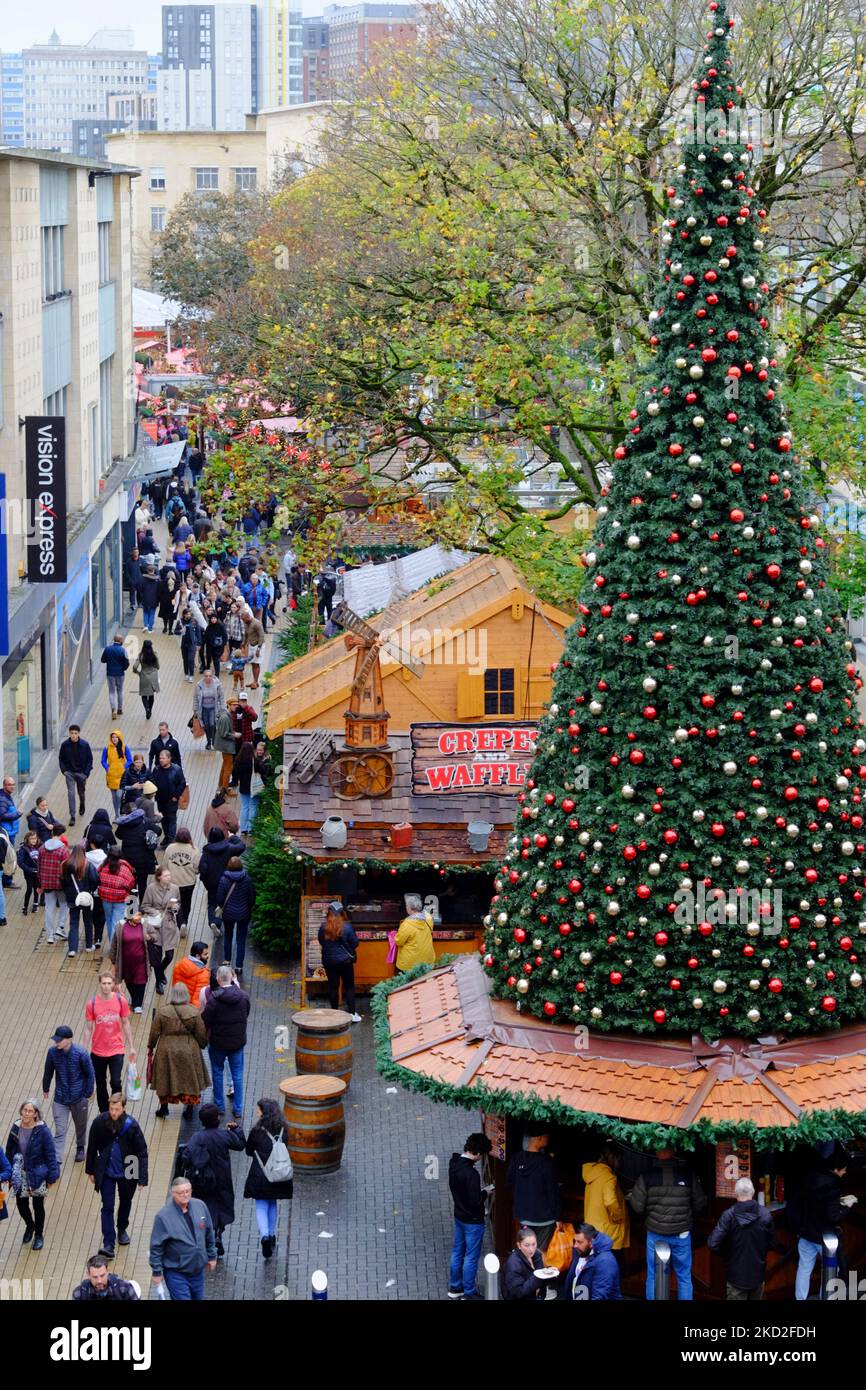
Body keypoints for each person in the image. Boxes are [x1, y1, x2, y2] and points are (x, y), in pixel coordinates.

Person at [629, 1145, 707, 1301]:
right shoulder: (688, 1175)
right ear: (675, 1152)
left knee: (653, 1276)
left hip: (656, 1233)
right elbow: (700, 1204)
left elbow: (637, 1207)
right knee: (684, 1277)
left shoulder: (647, 1176)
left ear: (657, 1153)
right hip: (682, 1234)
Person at [85, 1092, 148, 1259]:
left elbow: (142, 1151)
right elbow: (91, 1147)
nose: (113, 1112)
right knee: (107, 1206)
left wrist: (142, 1177)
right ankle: (108, 1242)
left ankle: (122, 1228)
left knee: (126, 1200)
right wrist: (90, 1170)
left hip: (130, 1166)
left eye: (117, 1109)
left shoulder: (131, 1125)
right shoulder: (99, 1122)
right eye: (112, 1108)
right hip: (106, 1168)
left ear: (124, 1108)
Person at [182, 1103, 245, 1258]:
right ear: (216, 1119)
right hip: (222, 1179)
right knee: (221, 1207)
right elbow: (240, 1145)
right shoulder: (224, 1135)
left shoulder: (197, 1137)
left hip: (203, 1181)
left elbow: (186, 1156)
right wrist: (237, 1129)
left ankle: (209, 1238)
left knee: (205, 1209)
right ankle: (218, 1233)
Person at [793, 1151, 854, 1300]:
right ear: (837, 1169)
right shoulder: (833, 1187)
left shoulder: (811, 1178)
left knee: (804, 1268)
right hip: (825, 1238)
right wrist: (848, 1206)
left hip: (806, 1233)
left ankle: (800, 1298)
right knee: (832, 1269)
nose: (845, 1173)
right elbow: (834, 1217)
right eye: (844, 1170)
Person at [148, 982, 210, 1121]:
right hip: (189, 1049)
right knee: (190, 1080)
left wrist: (151, 1047)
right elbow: (201, 1033)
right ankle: (189, 1110)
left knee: (165, 1078)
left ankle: (164, 1109)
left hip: (166, 1050)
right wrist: (202, 1044)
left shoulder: (163, 1011)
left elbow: (154, 1032)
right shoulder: (193, 1012)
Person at [149, 1176, 217, 1301]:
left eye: (188, 1191)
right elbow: (156, 1247)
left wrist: (212, 1256)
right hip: (176, 1273)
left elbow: (209, 1232)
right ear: (173, 1194)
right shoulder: (163, 1217)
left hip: (197, 1271)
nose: (185, 1195)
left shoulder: (200, 1206)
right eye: (181, 1192)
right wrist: (157, 1272)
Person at [707, 1176, 775, 1301]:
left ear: (736, 1194)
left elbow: (713, 1243)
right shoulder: (765, 1215)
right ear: (753, 1192)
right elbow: (771, 1243)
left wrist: (728, 1253)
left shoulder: (728, 1215)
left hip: (736, 1275)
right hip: (757, 1274)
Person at [243, 1098, 294, 1261]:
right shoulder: (283, 1129)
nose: (257, 1112)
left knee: (261, 1205)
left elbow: (249, 1150)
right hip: (278, 1173)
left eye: (259, 1110)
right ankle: (272, 1235)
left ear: (264, 1112)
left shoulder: (257, 1131)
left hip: (261, 1174)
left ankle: (264, 1236)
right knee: (273, 1203)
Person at [6, 1098, 60, 1249]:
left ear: (36, 1114)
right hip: (20, 1172)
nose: (26, 1113)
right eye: (24, 1110)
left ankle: (38, 1235)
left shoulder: (43, 1131)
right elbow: (9, 1151)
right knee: (21, 1204)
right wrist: (9, 1172)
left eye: (30, 1111)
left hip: (38, 1172)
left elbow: (50, 1154)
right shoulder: (16, 1127)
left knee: (38, 1205)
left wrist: (52, 1176)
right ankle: (30, 1225)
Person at [448, 1132, 492, 1300]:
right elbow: (475, 1201)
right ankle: (469, 1292)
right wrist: (486, 1192)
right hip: (473, 1221)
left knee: (458, 1251)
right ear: (478, 1153)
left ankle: (455, 1286)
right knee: (471, 1256)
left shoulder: (454, 1162)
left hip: (459, 1216)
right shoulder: (472, 1175)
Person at [202, 964, 250, 1119]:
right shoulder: (243, 996)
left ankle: (219, 1107)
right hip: (237, 1043)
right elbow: (246, 1014)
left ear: (217, 979)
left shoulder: (214, 999)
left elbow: (206, 1020)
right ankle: (238, 1109)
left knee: (217, 1072)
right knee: (237, 1075)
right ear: (232, 977)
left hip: (218, 1043)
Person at [41, 1025, 95, 1164]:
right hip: (60, 1098)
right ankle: (57, 1158)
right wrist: (45, 1088)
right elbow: (48, 1071)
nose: (56, 1042)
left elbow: (90, 1074)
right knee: (60, 1129)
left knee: (80, 1126)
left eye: (59, 1040)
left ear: (69, 1039)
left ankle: (80, 1147)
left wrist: (87, 1094)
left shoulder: (82, 1053)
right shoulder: (52, 1052)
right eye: (56, 1040)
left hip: (79, 1098)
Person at [84, 972, 136, 1112]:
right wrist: (84, 1049)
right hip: (98, 1051)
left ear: (113, 984)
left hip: (116, 1049)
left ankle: (117, 1107)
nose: (106, 986)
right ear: (99, 984)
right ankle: (104, 1111)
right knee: (100, 1084)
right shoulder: (92, 1004)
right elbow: (88, 1028)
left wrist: (131, 1046)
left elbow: (125, 1023)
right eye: (103, 983)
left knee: (115, 1081)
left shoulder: (121, 1001)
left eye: (109, 983)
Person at [506, 1129, 561, 1253]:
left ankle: (526, 1271)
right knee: (540, 1253)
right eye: (546, 1136)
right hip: (544, 1218)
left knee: (525, 1250)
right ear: (539, 1138)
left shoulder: (516, 1158)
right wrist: (558, 1217)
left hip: (523, 1215)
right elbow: (552, 1192)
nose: (548, 1138)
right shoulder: (546, 1163)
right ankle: (536, 1272)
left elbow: (509, 1182)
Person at [582, 1144, 630, 1267]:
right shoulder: (609, 1177)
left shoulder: (592, 1173)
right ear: (614, 1159)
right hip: (608, 1230)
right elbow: (610, 1201)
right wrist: (618, 1216)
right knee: (613, 1266)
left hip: (592, 1227)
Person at [318, 902, 361, 1022]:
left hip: (329, 961)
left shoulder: (323, 926)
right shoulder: (347, 927)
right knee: (349, 987)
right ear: (343, 912)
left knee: (333, 987)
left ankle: (334, 1014)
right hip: (345, 961)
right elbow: (355, 943)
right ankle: (352, 1014)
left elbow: (321, 941)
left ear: (329, 912)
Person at [141, 866, 181, 995]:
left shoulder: (175, 888)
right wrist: (156, 912)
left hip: (169, 924)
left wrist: (175, 908)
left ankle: (161, 971)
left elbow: (178, 904)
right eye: (166, 876)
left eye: (170, 875)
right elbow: (144, 906)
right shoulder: (151, 888)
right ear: (159, 877)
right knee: (156, 958)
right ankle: (158, 982)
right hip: (155, 925)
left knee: (169, 956)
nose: (169, 877)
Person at [198, 828, 245, 931]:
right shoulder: (229, 848)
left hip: (212, 883)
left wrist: (204, 880)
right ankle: (220, 921)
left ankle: (213, 922)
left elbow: (202, 867)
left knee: (211, 903)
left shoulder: (206, 851)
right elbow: (241, 846)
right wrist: (233, 837)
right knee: (224, 901)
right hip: (226, 881)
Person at [215, 855, 255, 978]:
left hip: (228, 914)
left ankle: (227, 961)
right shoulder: (247, 879)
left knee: (228, 935)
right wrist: (248, 908)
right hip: (243, 914)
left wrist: (223, 906)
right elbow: (252, 897)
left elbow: (220, 899)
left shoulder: (224, 880)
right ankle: (239, 966)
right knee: (241, 939)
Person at [563, 1223, 622, 1301]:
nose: (575, 1245)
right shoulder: (580, 1251)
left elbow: (599, 1296)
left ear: (591, 1243)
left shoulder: (605, 1261)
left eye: (579, 1242)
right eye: (575, 1241)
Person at [114, 802, 160, 903]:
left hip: (129, 862)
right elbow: (158, 830)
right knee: (143, 884)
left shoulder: (124, 824)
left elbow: (118, 835)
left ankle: (132, 910)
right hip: (144, 860)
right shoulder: (145, 821)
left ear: (127, 813)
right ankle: (143, 908)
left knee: (131, 885)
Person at [109, 909, 151, 1013]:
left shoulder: (144, 924)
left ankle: (137, 1005)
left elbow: (155, 936)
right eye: (137, 915)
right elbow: (115, 943)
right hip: (126, 962)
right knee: (129, 981)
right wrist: (113, 959)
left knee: (141, 981)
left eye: (140, 915)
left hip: (141, 961)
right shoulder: (121, 925)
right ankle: (135, 1000)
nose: (139, 917)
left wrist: (150, 937)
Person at [61, 843, 99, 957]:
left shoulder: (66, 864)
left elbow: (62, 881)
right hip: (86, 897)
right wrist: (91, 890)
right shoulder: (88, 865)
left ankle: (72, 949)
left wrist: (68, 891)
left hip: (72, 898)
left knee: (73, 923)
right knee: (88, 922)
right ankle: (88, 946)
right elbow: (95, 880)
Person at [162, 827, 200, 934]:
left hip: (173, 883)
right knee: (187, 904)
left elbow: (164, 865)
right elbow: (197, 869)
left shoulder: (170, 848)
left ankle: (181, 923)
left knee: (176, 905)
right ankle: (185, 922)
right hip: (189, 883)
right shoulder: (194, 850)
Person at [38, 828, 70, 945]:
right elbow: (67, 868)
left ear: (52, 834)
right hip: (60, 883)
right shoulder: (63, 850)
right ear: (61, 835)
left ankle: (50, 935)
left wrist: (39, 883)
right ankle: (60, 927)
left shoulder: (42, 848)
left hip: (46, 883)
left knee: (49, 907)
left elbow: (39, 867)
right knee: (64, 905)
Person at [97, 851, 136, 946]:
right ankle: (114, 947)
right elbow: (131, 883)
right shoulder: (125, 869)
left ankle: (112, 943)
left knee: (109, 920)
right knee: (117, 923)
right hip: (120, 899)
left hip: (105, 898)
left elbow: (98, 878)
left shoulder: (103, 867)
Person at [58, 724, 94, 826]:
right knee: (71, 793)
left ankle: (82, 803)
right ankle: (72, 816)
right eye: (72, 733)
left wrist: (86, 774)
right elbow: (61, 758)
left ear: (78, 734)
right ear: (69, 733)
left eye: (75, 733)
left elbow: (90, 759)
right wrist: (64, 770)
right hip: (69, 773)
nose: (73, 735)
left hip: (81, 773)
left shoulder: (85, 744)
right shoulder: (65, 745)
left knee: (81, 793)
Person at [152, 748, 187, 848]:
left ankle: (171, 840)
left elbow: (182, 783)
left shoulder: (176, 770)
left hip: (172, 800)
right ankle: (167, 836)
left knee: (172, 819)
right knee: (163, 819)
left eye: (163, 758)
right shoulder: (157, 769)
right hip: (160, 800)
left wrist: (176, 796)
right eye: (160, 758)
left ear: (169, 759)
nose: (161, 760)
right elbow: (152, 781)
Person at [502, 1227, 548, 1301]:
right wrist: (539, 1276)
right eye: (527, 1245)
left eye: (534, 1244)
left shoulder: (536, 1255)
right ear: (519, 1245)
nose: (531, 1249)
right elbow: (518, 1292)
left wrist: (549, 1271)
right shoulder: (514, 1264)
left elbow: (541, 1273)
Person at [395, 892, 436, 972]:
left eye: (407, 906)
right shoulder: (429, 919)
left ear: (409, 908)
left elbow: (399, 941)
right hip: (427, 960)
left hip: (410, 963)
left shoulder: (407, 924)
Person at [72, 1254, 140, 1301]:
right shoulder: (80, 1294)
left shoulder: (123, 1289)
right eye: (95, 1277)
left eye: (102, 1276)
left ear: (108, 1271)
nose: (99, 1281)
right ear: (88, 1275)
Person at [101, 730, 133, 817]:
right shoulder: (107, 748)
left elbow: (130, 760)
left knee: (119, 795)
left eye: (116, 737)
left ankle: (119, 809)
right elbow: (103, 760)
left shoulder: (124, 747)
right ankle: (116, 814)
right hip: (111, 776)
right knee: (114, 797)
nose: (114, 739)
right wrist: (108, 768)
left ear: (119, 738)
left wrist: (124, 767)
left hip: (121, 776)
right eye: (113, 737)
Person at [194, 670, 226, 750]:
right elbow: (195, 698)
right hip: (203, 708)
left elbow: (221, 697)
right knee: (206, 725)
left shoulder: (217, 685)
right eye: (206, 676)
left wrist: (223, 708)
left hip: (213, 708)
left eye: (209, 676)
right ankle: (208, 741)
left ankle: (214, 741)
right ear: (203, 677)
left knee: (212, 724)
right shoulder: (199, 685)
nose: (208, 677)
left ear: (212, 676)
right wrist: (195, 709)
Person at [174, 941, 211, 1008]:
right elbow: (197, 1000)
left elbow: (175, 985)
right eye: (205, 954)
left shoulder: (179, 965)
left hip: (177, 1002)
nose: (207, 956)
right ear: (197, 956)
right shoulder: (204, 975)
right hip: (189, 1009)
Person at [100, 635, 129, 718]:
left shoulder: (107, 649)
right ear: (120, 641)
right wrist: (123, 668)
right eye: (122, 639)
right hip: (120, 674)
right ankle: (120, 709)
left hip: (110, 674)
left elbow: (103, 660)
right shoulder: (123, 650)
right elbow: (127, 663)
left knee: (111, 692)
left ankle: (113, 709)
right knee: (120, 691)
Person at [214, 700, 239, 789]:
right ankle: (224, 788)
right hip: (226, 746)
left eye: (237, 705)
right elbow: (224, 733)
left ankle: (221, 785)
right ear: (228, 705)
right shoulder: (225, 717)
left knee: (225, 765)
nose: (236, 706)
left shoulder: (226, 715)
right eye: (234, 705)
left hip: (224, 745)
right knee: (228, 767)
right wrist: (234, 735)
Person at [133, 640, 160, 721]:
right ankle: (150, 710)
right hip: (153, 676)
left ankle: (147, 709)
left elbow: (135, 666)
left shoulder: (141, 655)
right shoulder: (154, 654)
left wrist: (137, 673)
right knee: (151, 695)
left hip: (144, 676)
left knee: (144, 695)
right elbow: (158, 666)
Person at [17, 830, 42, 914]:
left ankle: (35, 904)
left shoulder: (40, 846)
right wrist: (30, 869)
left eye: (35, 838)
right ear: (27, 839)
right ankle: (25, 906)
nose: (34, 840)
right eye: (31, 839)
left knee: (36, 888)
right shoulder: (23, 849)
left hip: (38, 872)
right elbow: (20, 862)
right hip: (29, 873)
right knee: (29, 889)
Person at [202, 613, 228, 678]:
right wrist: (202, 643)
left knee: (216, 660)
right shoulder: (209, 627)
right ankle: (207, 674)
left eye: (214, 618)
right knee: (208, 660)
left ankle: (217, 675)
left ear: (217, 619)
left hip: (218, 647)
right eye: (212, 618)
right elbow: (205, 636)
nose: (213, 620)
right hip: (209, 647)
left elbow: (225, 636)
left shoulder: (221, 626)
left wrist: (222, 645)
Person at [180, 607, 201, 682]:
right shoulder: (180, 621)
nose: (189, 615)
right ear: (184, 615)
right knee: (185, 660)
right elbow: (175, 631)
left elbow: (198, 632)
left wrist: (199, 643)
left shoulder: (194, 621)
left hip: (192, 644)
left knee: (191, 659)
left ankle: (191, 675)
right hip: (183, 644)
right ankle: (186, 674)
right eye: (187, 614)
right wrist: (180, 631)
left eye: (189, 614)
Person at [139, 565, 160, 634]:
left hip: (145, 598)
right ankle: (150, 628)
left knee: (145, 613)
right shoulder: (157, 579)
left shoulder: (142, 578)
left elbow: (140, 588)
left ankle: (145, 626)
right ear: (153, 570)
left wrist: (142, 595)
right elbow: (159, 590)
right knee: (152, 613)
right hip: (154, 599)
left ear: (147, 570)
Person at [124, 549, 142, 617]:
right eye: (135, 552)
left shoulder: (140, 560)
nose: (136, 553)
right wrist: (129, 579)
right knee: (132, 592)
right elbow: (127, 572)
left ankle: (140, 603)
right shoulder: (129, 561)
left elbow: (143, 569)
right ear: (132, 553)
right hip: (132, 580)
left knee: (140, 592)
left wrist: (142, 578)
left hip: (139, 580)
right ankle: (132, 603)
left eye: (137, 552)